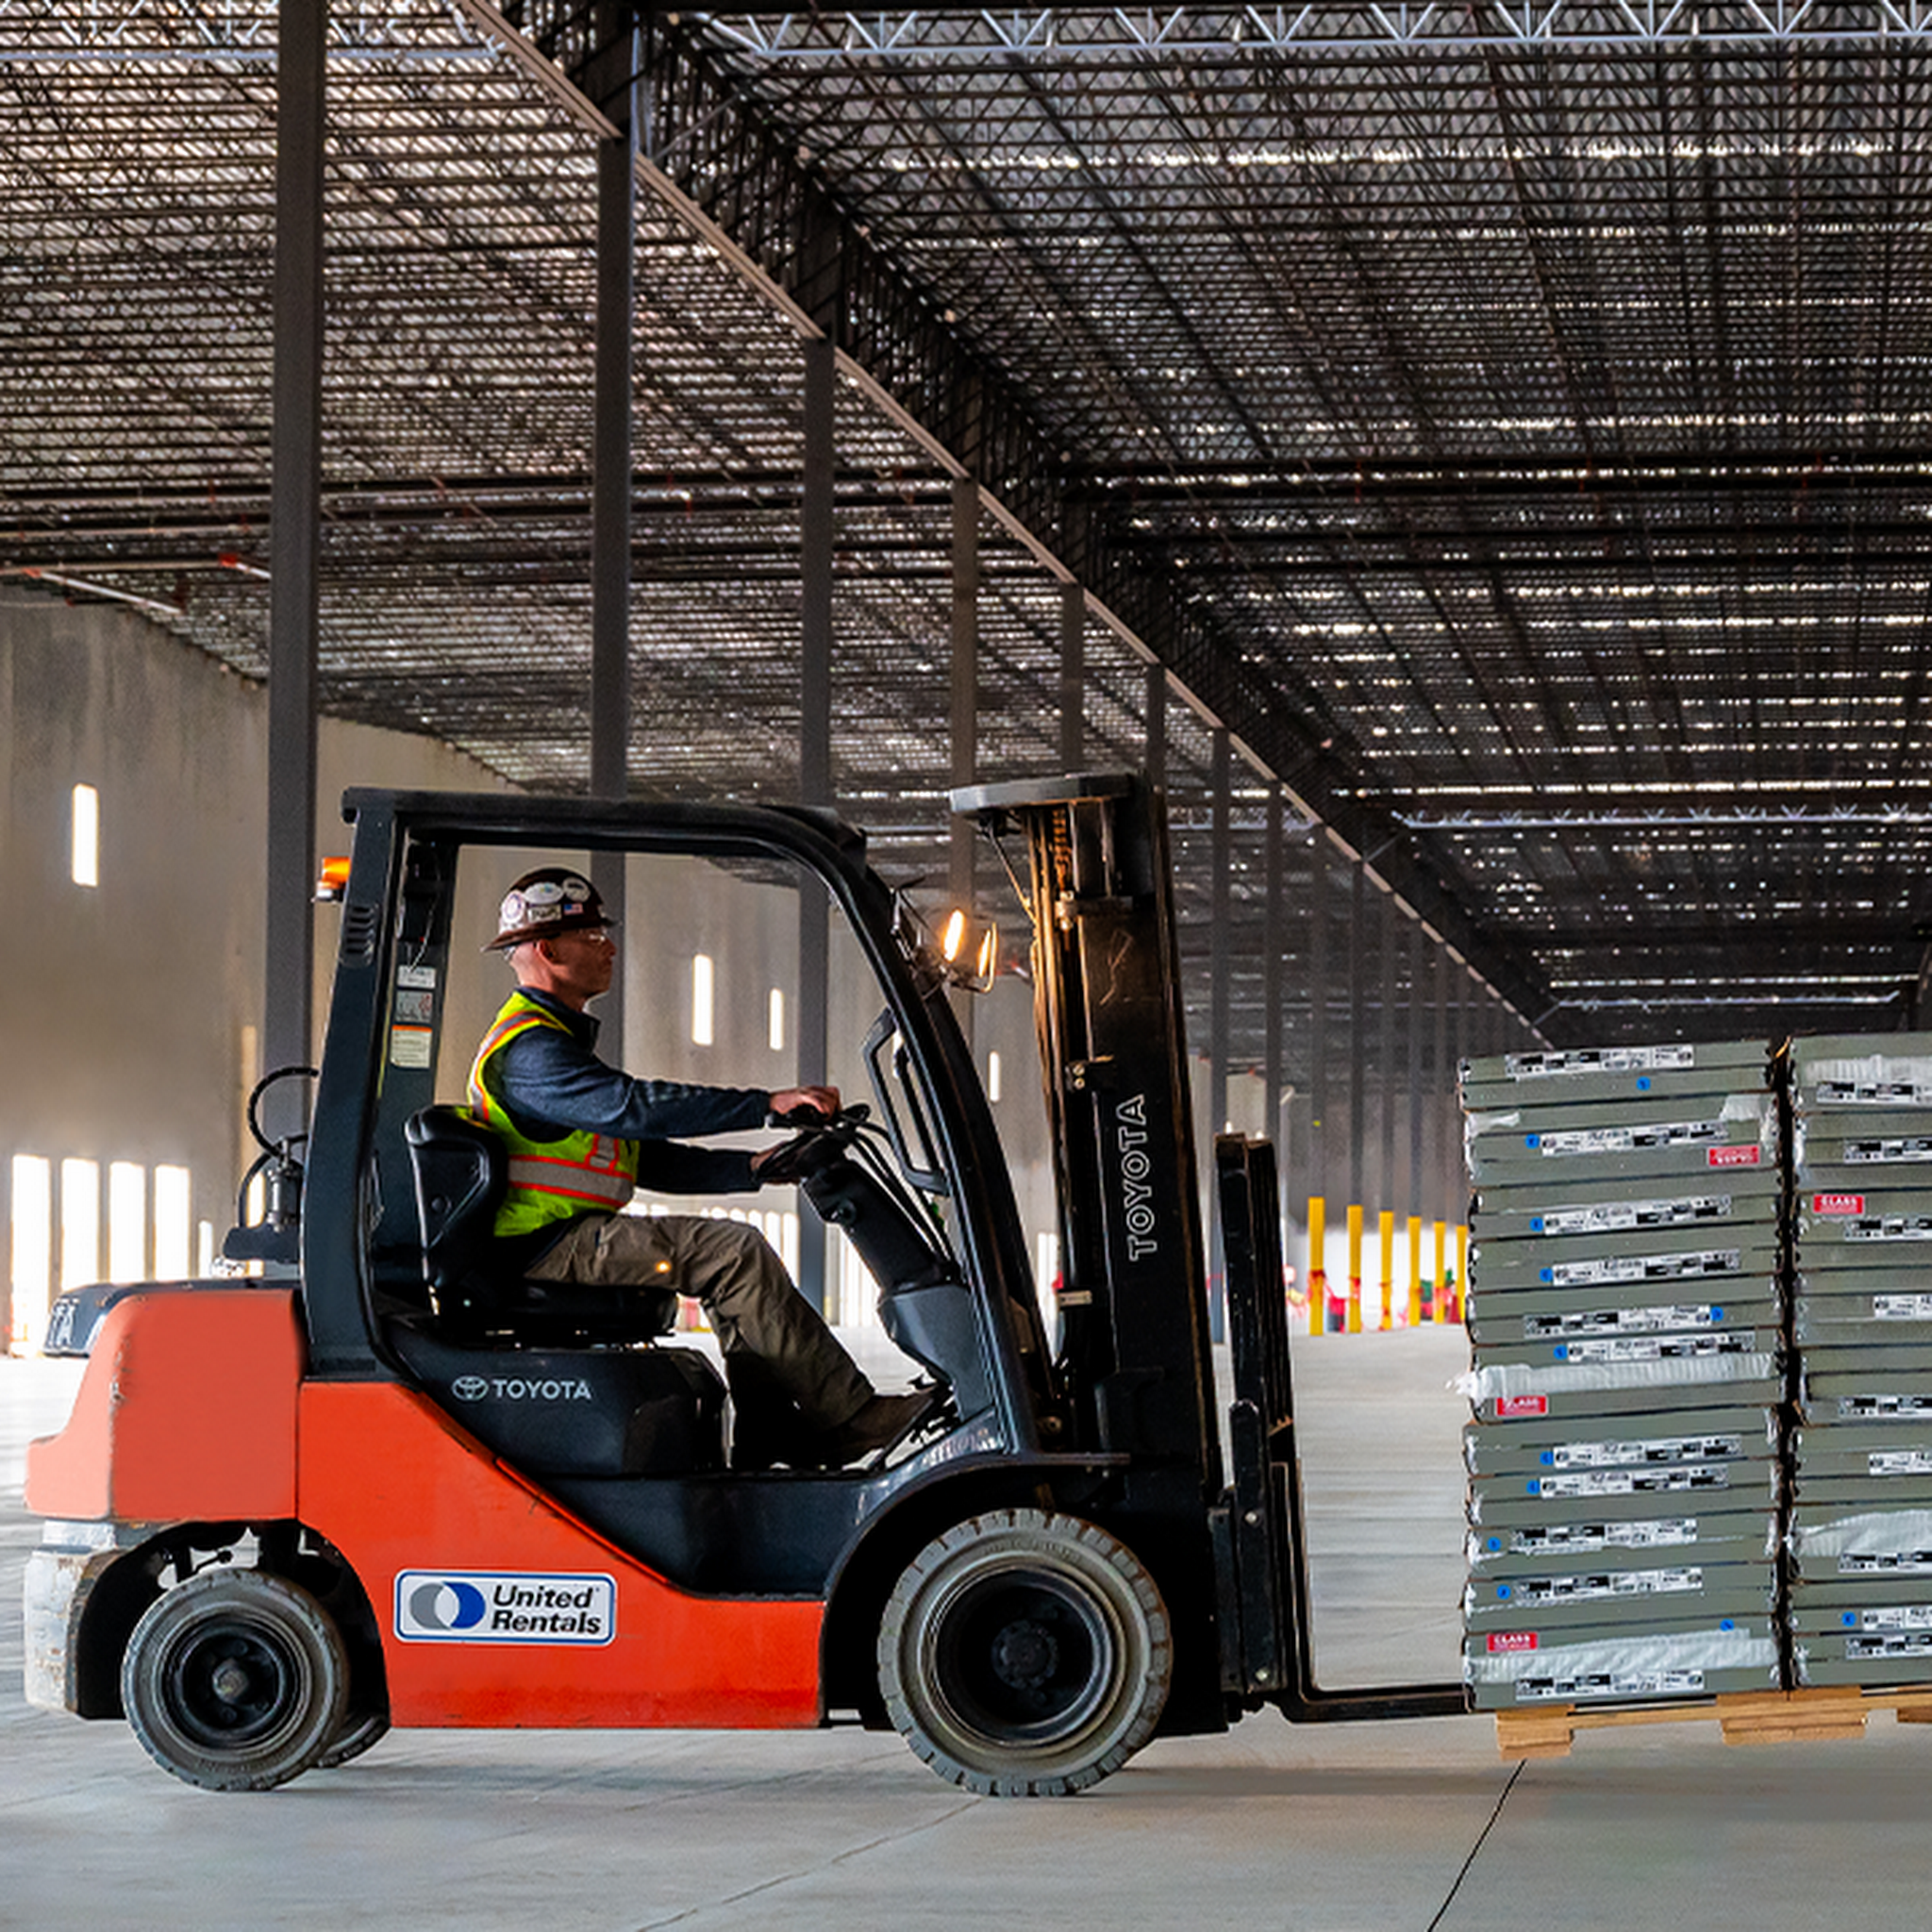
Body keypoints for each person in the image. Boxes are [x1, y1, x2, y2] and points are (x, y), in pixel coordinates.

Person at [468, 865, 928, 1468]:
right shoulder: (530, 1051)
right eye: (592, 936)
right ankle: (847, 1416)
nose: (609, 947)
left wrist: (754, 1168)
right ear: (550, 951)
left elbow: (643, 1154)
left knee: (732, 1262)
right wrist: (764, 1105)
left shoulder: (556, 1041)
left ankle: (771, 1434)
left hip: (563, 1239)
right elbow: (635, 1108)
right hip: (546, 1247)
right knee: (733, 1254)